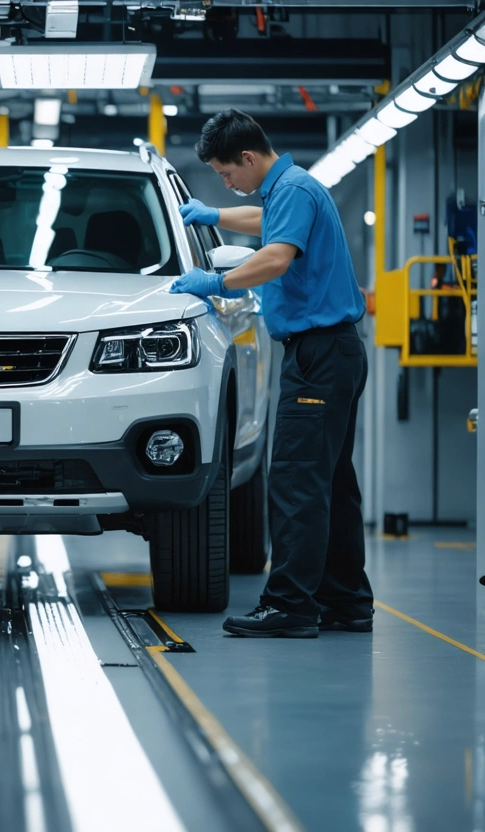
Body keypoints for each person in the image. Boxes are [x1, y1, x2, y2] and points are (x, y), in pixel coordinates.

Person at [169, 109, 371, 638]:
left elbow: (277, 257)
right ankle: (347, 601)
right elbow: (265, 225)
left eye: (225, 174)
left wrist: (217, 282)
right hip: (333, 353)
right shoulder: (288, 191)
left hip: (319, 355)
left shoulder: (295, 190)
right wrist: (213, 215)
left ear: (248, 157)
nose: (226, 183)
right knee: (331, 482)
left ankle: (290, 605)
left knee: (297, 480)